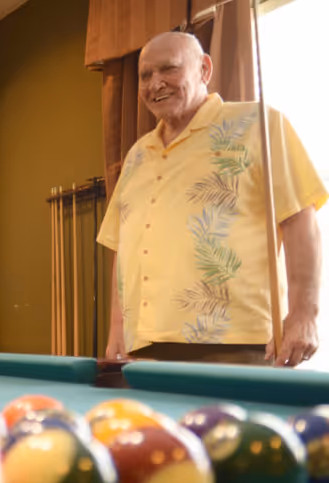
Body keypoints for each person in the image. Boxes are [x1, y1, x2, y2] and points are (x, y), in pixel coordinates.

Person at [97, 32, 327, 368]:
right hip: (144, 346)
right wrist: (117, 327)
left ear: (204, 69)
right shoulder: (136, 155)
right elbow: (123, 245)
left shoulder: (259, 124)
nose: (155, 83)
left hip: (238, 342)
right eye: (145, 75)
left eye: (169, 69)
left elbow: (299, 219)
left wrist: (305, 313)